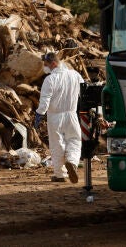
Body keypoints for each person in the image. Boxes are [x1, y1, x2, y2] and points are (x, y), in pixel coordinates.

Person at [34, 52, 84, 183]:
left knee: (57, 145)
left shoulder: (50, 80)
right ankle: (72, 162)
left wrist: (39, 115)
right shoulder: (75, 75)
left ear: (54, 63)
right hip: (72, 114)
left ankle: (60, 175)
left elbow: (44, 102)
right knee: (74, 140)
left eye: (46, 65)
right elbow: (84, 92)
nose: (45, 67)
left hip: (55, 117)